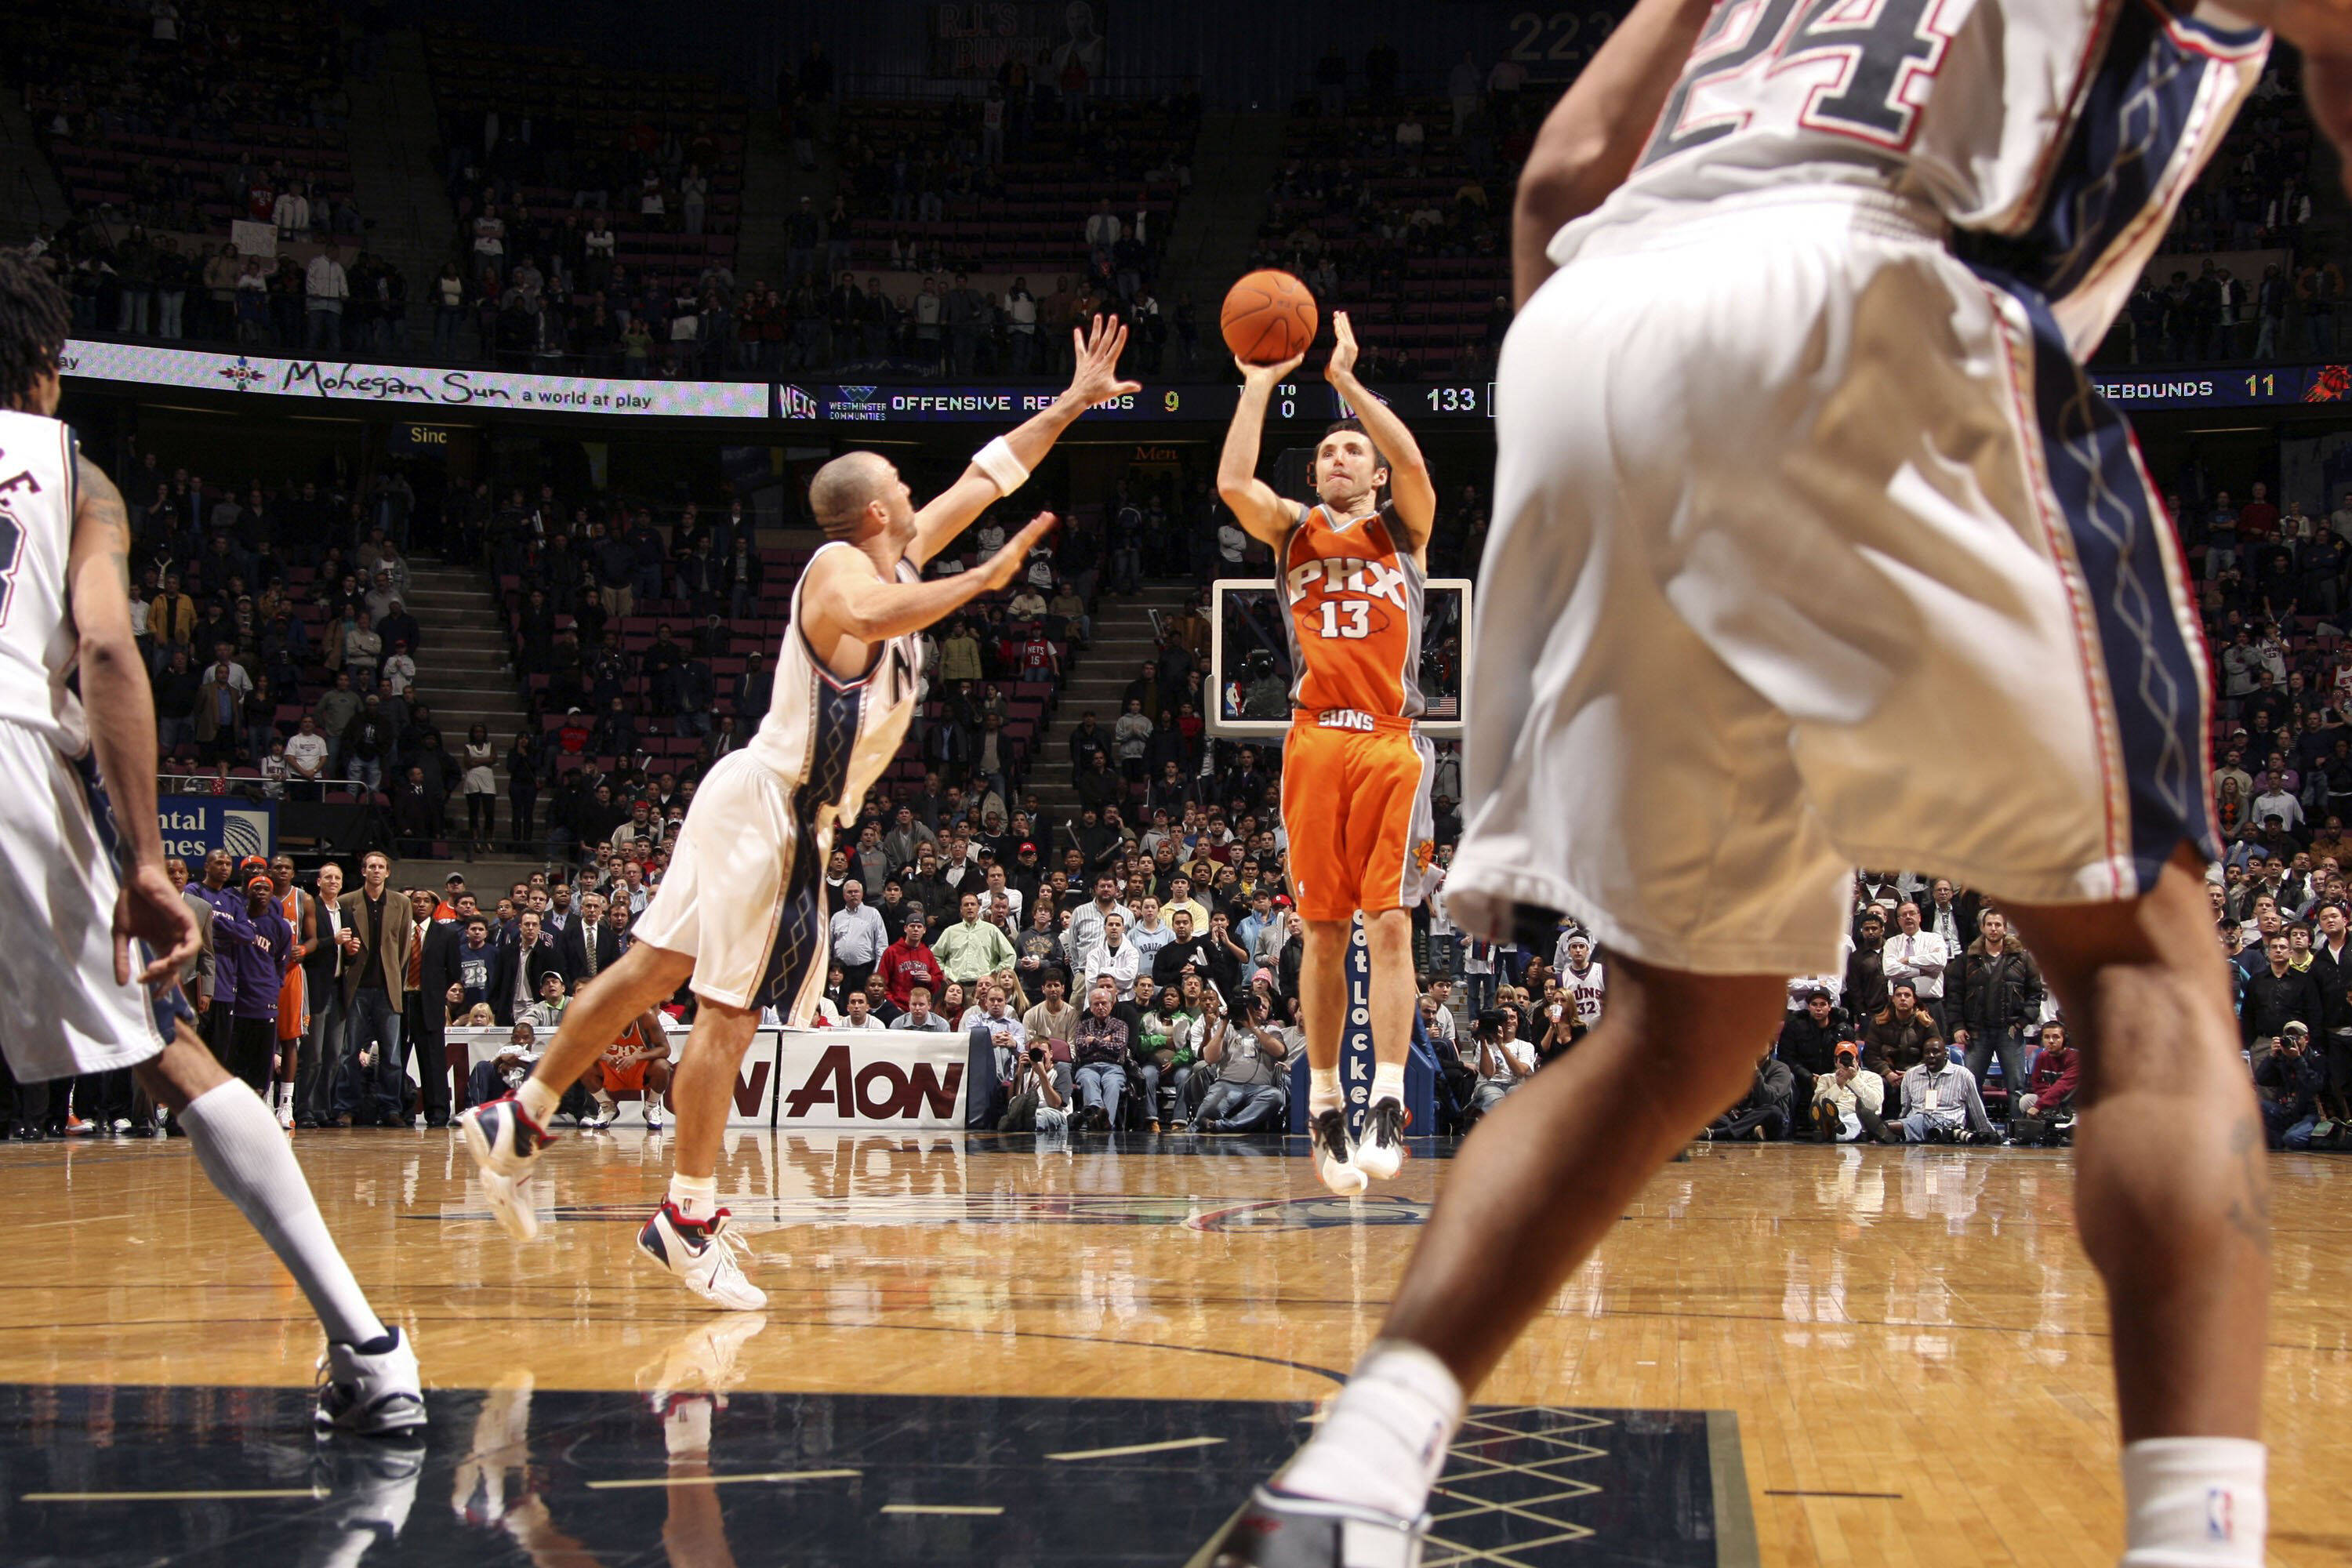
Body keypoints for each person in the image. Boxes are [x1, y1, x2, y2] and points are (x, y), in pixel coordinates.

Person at [1208, 0, 2319, 1556]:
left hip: (1598, 339)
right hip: (1880, 283)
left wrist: (1646, 438)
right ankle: (2198, 1536)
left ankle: (1355, 1477)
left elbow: (1559, 179)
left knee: (1682, 1028)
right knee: (2142, 972)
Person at [461, 318, 1138, 1308]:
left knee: (650, 971)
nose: (918, 495)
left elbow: (992, 475)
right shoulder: (840, 571)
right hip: (775, 812)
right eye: (902, 491)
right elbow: (869, 619)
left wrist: (1072, 403)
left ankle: (519, 1114)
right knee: (727, 1018)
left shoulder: (896, 560)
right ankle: (685, 1217)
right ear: (872, 510)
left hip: (762, 803)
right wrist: (984, 582)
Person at [0, 252, 419, 1432]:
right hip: (12, 749)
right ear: (45, 368)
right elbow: (106, 651)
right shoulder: (71, 474)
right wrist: (143, 857)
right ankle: (370, 1349)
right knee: (164, 1048)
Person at [1215, 309, 1438, 1193]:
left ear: (1375, 475)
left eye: (1353, 453)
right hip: (1314, 741)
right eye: (1327, 453)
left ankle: (1386, 1095)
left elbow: (1417, 466)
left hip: (1390, 741)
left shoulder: (1403, 531)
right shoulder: (1292, 532)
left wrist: (1347, 384)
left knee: (1391, 922)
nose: (1339, 458)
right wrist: (1262, 382)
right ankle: (1322, 1100)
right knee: (1322, 928)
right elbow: (1236, 478)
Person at [582, 1007, 674, 1131]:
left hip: (641, 1068)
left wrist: (637, 1056)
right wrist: (605, 1056)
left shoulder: (646, 1016)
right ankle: (607, 1107)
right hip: (613, 1067)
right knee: (583, 1066)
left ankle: (651, 1107)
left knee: (662, 1066)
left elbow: (665, 1049)